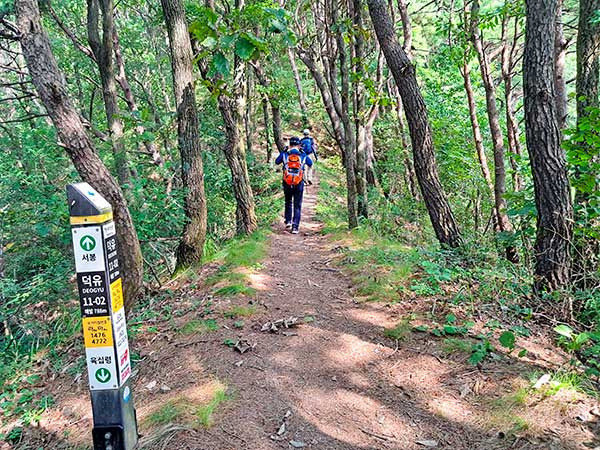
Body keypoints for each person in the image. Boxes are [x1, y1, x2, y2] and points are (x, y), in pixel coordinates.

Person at [275, 136, 313, 234]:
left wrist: (284, 151)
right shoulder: (302, 155)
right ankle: (295, 227)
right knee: (297, 205)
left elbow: (277, 161)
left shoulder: (285, 154)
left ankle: (288, 221)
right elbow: (310, 163)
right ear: (299, 145)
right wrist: (303, 153)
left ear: (290, 144)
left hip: (287, 182)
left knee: (288, 201)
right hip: (298, 182)